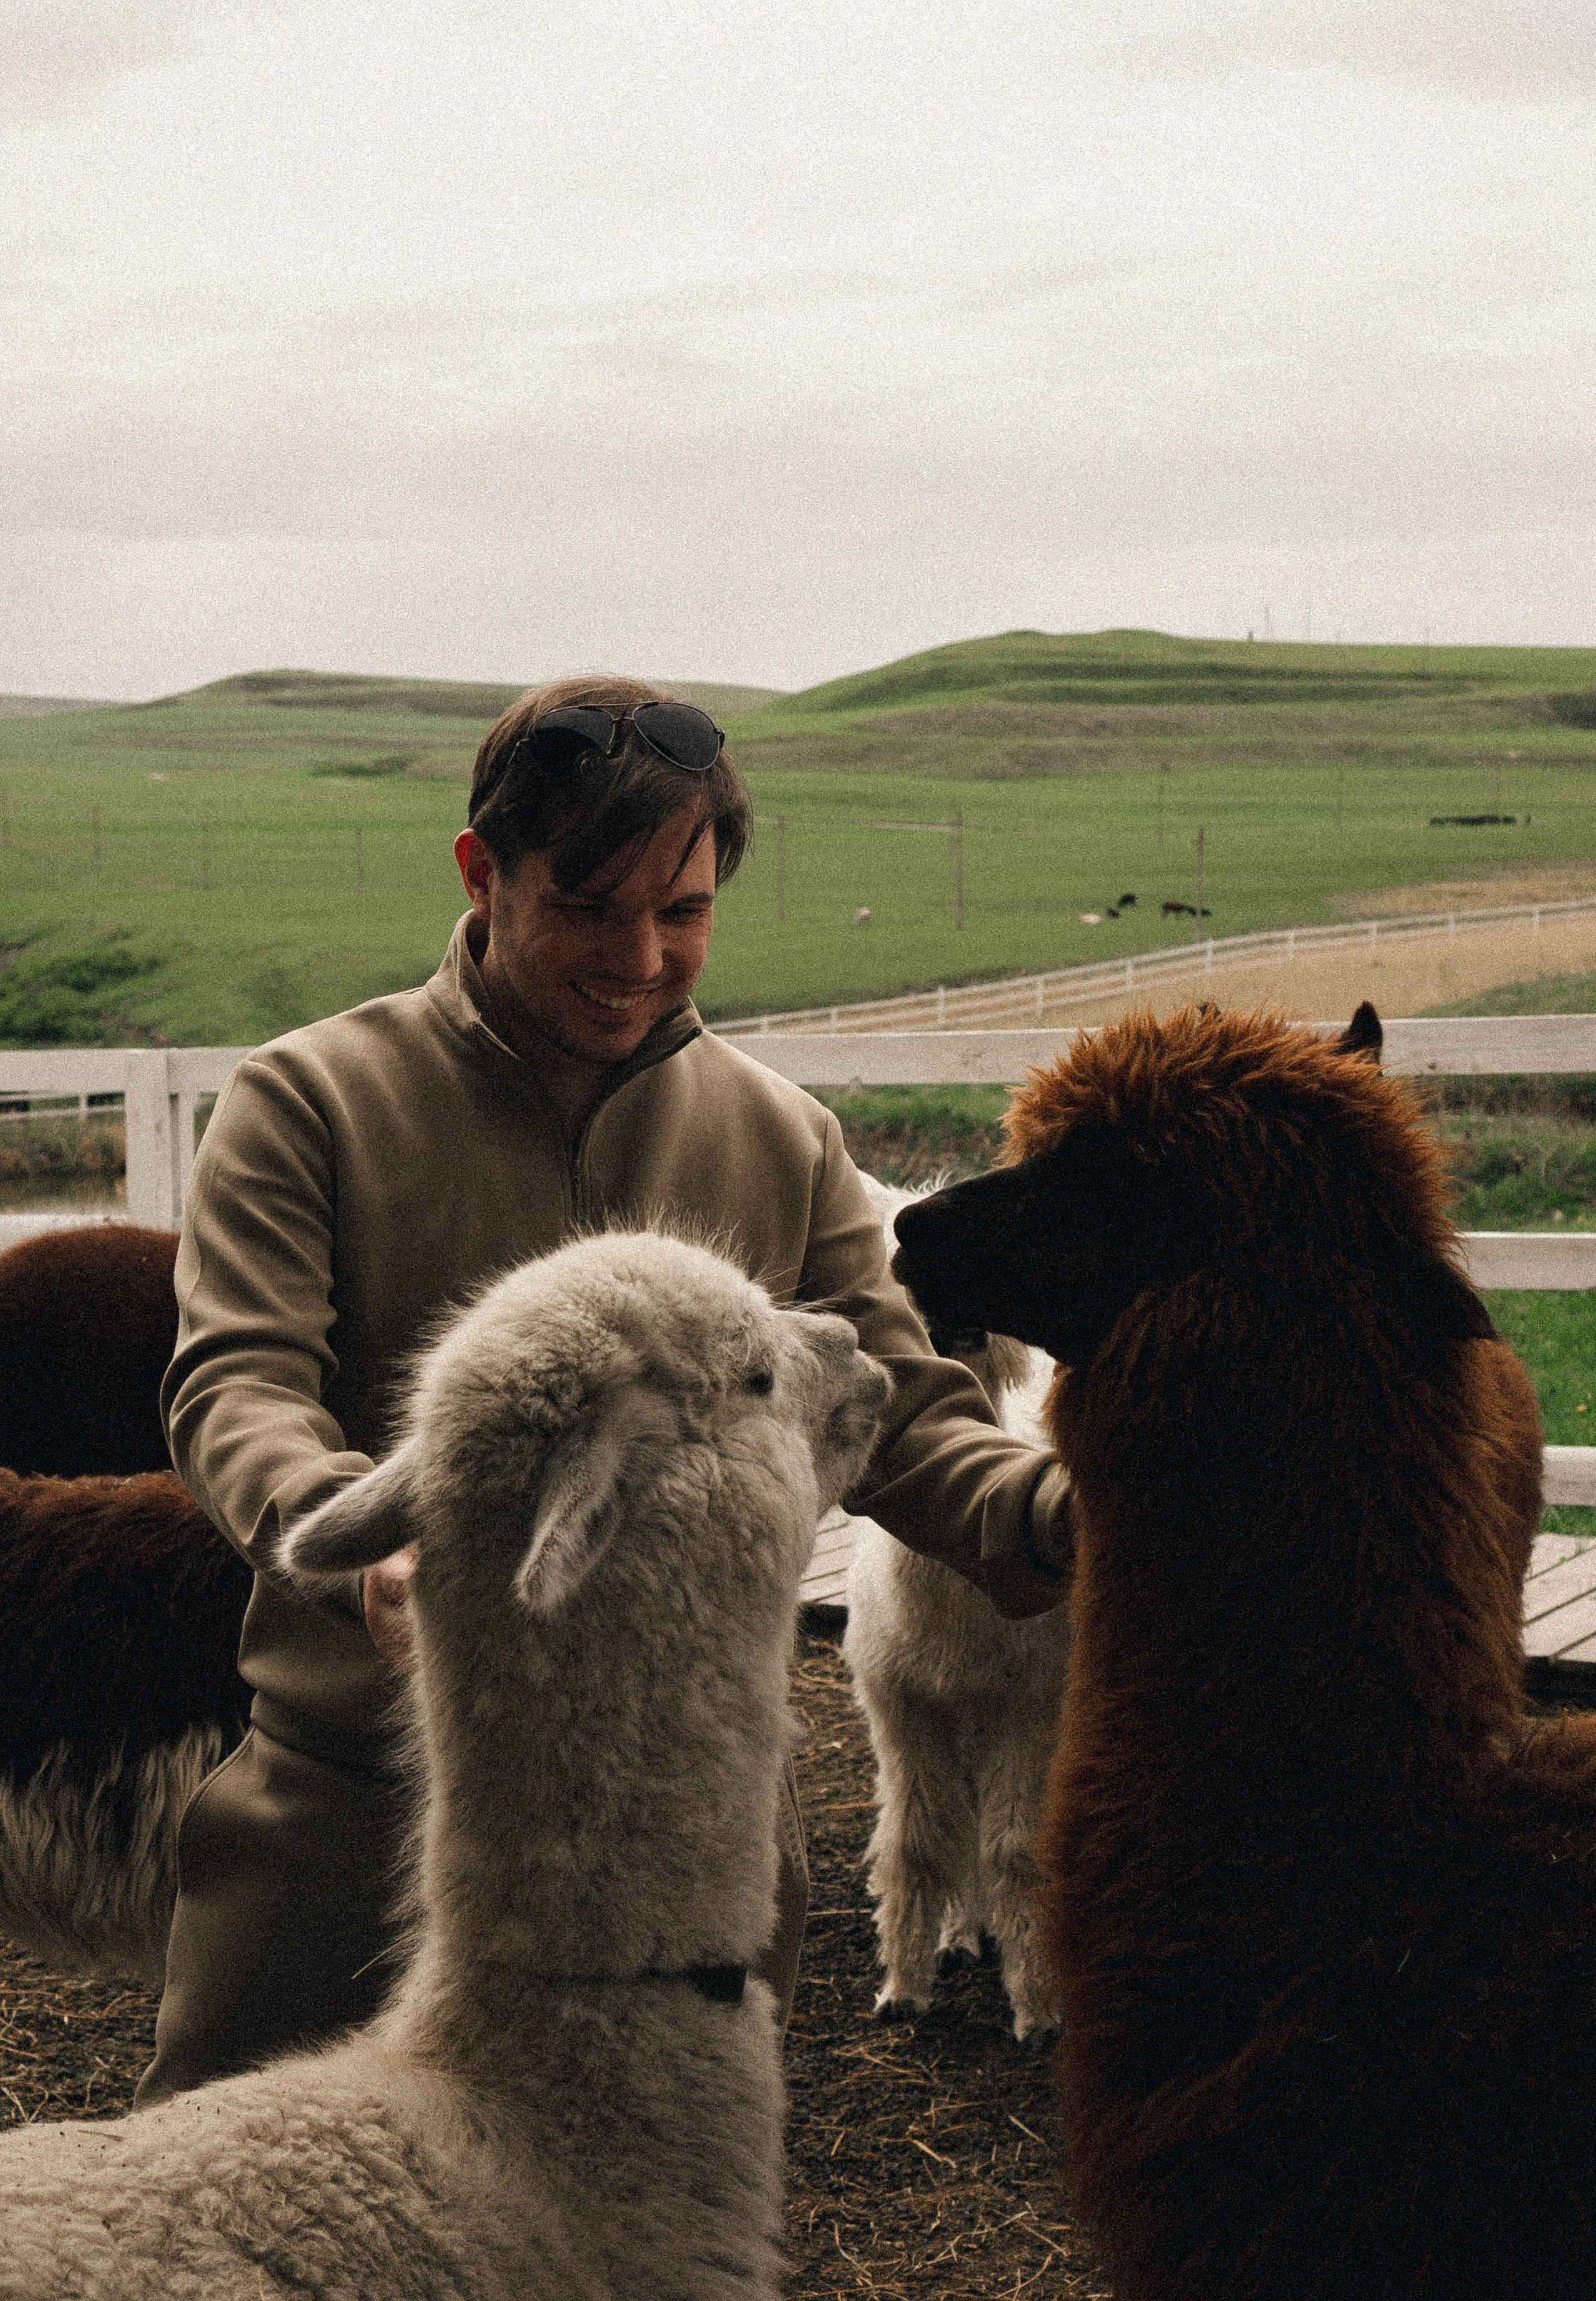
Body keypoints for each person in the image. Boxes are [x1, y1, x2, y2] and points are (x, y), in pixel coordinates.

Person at [136, 675, 1070, 2107]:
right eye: (587, 902)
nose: (639, 956)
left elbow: (903, 1410)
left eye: (682, 911)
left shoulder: (779, 1141)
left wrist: (1062, 1512)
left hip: (685, 1844)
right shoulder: (308, 1104)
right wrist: (353, 1534)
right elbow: (238, 1381)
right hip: (357, 1808)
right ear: (480, 870)